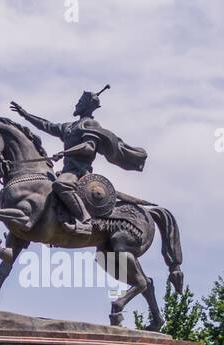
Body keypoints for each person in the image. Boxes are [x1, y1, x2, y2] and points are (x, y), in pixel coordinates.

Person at [10, 86, 148, 235]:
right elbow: (47, 125)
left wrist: (64, 152)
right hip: (66, 170)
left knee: (61, 185)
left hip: (79, 170)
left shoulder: (90, 125)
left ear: (87, 105)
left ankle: (85, 221)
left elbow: (89, 147)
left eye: (80, 102)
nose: (76, 104)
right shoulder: (69, 127)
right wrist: (25, 115)